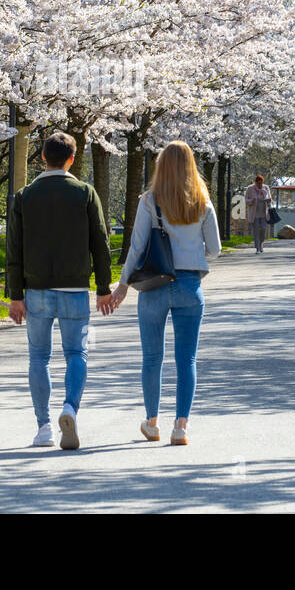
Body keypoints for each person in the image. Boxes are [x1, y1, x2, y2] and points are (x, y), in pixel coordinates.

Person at [109, 140, 221, 445]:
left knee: (152, 358)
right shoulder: (203, 203)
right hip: (189, 285)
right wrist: (193, 256)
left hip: (155, 285)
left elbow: (136, 247)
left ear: (161, 166)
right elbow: (215, 250)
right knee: (187, 359)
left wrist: (122, 285)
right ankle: (181, 426)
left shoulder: (149, 201)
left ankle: (152, 422)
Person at [6, 131, 114, 450]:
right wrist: (104, 288)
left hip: (36, 289)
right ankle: (70, 408)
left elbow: (14, 249)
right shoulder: (85, 193)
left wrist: (15, 295)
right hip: (75, 288)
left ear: (42, 157)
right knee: (76, 353)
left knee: (38, 358)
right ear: (71, 159)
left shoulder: (24, 196)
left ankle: (43, 428)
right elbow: (101, 245)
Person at [244, 174, 272, 253]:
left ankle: (261, 244)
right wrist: (251, 201)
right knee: (256, 231)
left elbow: (269, 197)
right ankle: (257, 248)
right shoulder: (250, 188)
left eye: (261, 183)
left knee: (263, 229)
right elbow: (246, 199)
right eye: (258, 183)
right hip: (254, 213)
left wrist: (269, 200)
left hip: (264, 212)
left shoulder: (266, 188)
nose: (260, 185)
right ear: (255, 182)